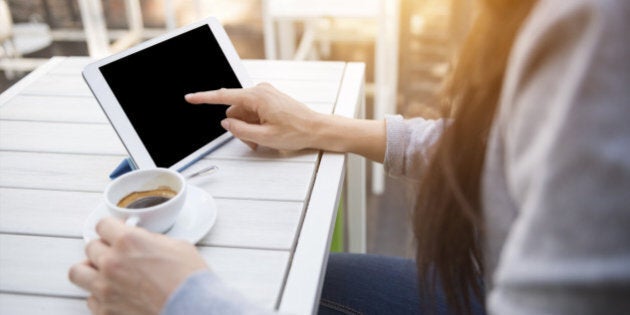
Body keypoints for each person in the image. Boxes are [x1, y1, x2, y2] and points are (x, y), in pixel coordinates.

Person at [68, 0, 630, 314]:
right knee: (309, 275)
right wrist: (318, 126)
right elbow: (504, 145)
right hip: (486, 283)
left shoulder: (598, 26)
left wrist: (187, 303)